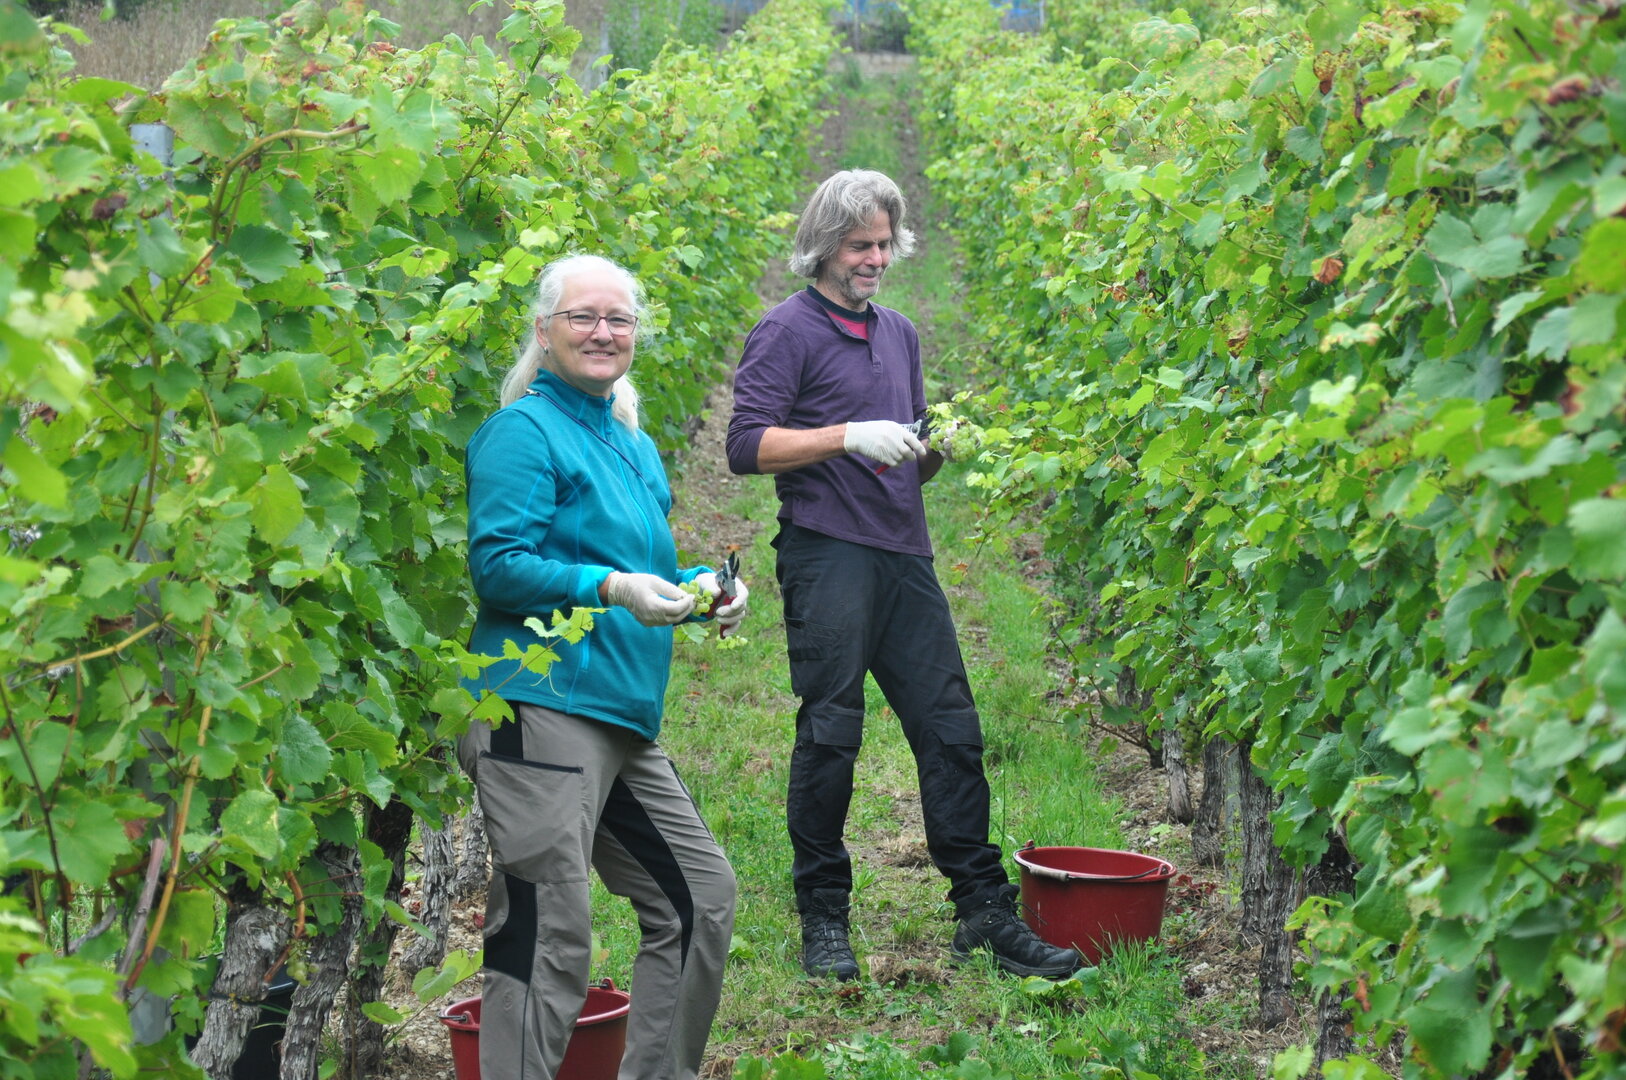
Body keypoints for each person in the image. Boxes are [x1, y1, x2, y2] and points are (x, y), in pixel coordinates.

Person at [725, 170, 1079, 982]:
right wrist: (846, 434)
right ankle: (824, 915)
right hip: (826, 552)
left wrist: (933, 446)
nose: (876, 259)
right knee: (832, 732)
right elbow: (745, 445)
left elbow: (908, 462)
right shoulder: (786, 331)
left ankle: (982, 912)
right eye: (860, 245)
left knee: (950, 728)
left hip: (903, 551)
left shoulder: (901, 334)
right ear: (825, 246)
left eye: (885, 244)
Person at [458, 253, 747, 1080]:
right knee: (546, 933)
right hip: (538, 705)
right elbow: (499, 567)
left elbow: (639, 562)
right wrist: (611, 588)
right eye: (582, 316)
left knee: (699, 898)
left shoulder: (630, 442)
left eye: (618, 319)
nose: (602, 331)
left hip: (619, 717)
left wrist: (700, 587)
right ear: (543, 331)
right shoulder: (522, 432)